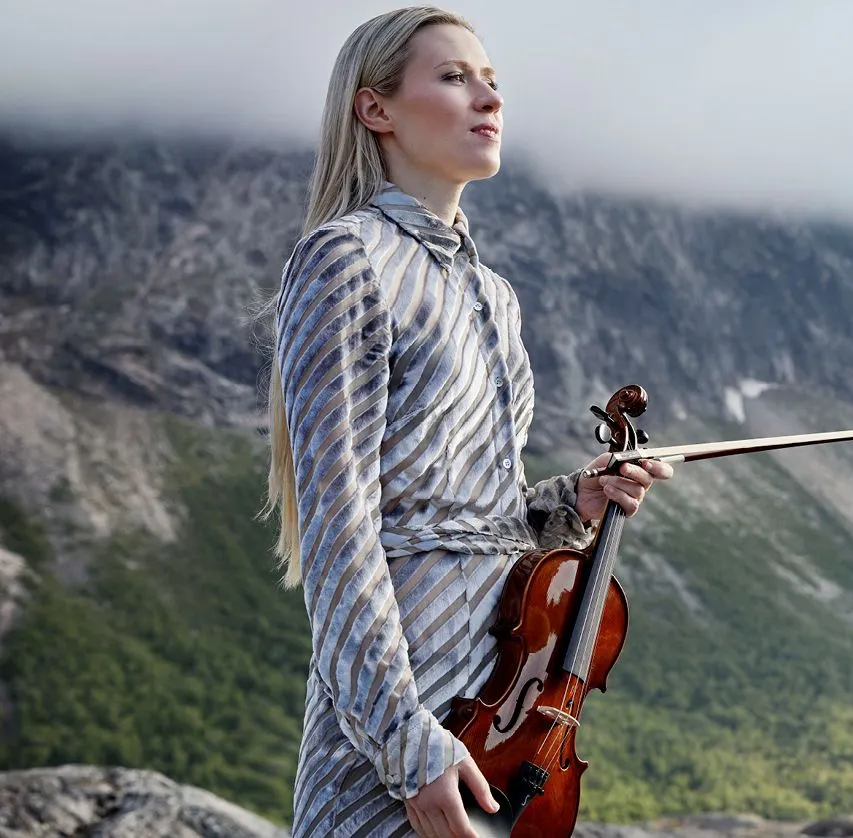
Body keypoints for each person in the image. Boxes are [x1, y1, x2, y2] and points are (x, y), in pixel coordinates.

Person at [258, 7, 673, 836]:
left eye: (493, 81)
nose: (488, 97)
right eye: (454, 77)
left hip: (494, 698)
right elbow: (342, 531)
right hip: (398, 699)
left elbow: (482, 508)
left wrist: (572, 502)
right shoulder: (346, 257)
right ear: (375, 109)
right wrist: (407, 744)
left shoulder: (493, 295)